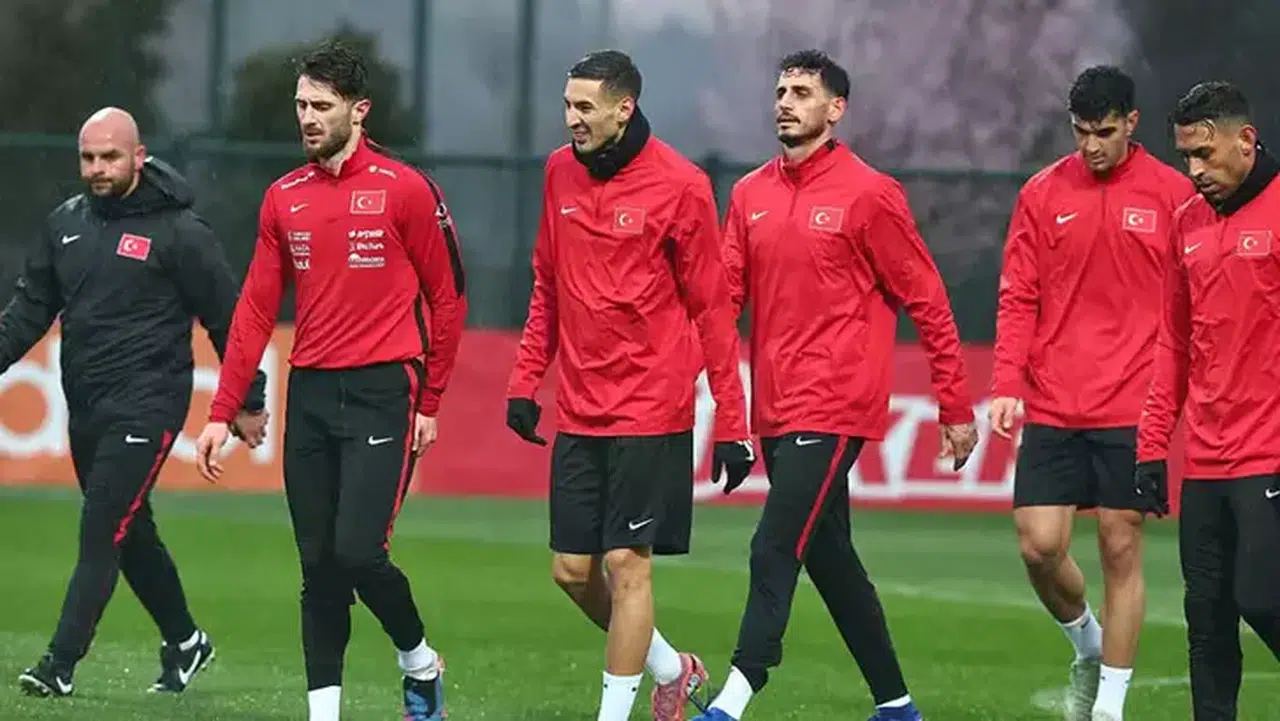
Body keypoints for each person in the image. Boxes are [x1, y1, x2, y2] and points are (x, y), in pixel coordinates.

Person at [693, 50, 977, 721]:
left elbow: (927, 298)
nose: (785, 103)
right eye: (781, 91)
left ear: (836, 109)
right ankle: (897, 706)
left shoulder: (870, 194)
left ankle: (734, 699)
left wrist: (955, 404)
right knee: (830, 558)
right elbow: (722, 300)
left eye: (802, 92)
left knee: (773, 545)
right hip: (776, 405)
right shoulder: (751, 195)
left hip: (837, 403)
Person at [192, 41, 467, 721]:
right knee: (317, 568)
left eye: (321, 105)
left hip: (383, 392)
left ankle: (418, 659)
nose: (308, 118)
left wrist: (430, 399)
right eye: (301, 105)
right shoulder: (283, 198)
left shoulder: (406, 189)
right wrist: (222, 411)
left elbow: (448, 298)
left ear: (358, 110)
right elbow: (255, 311)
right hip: (311, 394)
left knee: (359, 554)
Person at [504, 49, 754, 721]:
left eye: (585, 107)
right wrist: (526, 379)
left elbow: (713, 311)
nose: (571, 119)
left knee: (626, 562)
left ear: (624, 108)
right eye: (567, 105)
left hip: (652, 406)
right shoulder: (558, 173)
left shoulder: (682, 185)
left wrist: (733, 424)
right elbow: (547, 283)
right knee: (570, 571)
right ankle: (673, 668)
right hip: (579, 406)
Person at [4, 107, 268, 698]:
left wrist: (248, 399)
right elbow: (27, 313)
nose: (98, 169)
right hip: (86, 405)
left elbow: (230, 319)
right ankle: (186, 641)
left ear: (139, 157)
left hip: (150, 403)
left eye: (110, 157)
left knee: (102, 528)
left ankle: (58, 665)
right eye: (88, 158)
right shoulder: (64, 225)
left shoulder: (180, 233)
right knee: (130, 530)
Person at [988, 66, 1194, 721]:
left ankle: (1108, 705)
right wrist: (1006, 383)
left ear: (1132, 123)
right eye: (1081, 132)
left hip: (1134, 401)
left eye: (1104, 132)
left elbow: (1192, 301)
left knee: (1119, 544)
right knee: (1038, 544)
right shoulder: (1042, 193)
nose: (1091, 145)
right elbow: (1018, 294)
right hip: (1054, 399)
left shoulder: (1173, 195)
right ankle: (1087, 645)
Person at [1135, 80, 1280, 720]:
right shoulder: (1186, 224)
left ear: (1245, 140)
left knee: (1263, 600)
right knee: (1207, 619)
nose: (1194, 172)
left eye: (1205, 154)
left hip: (1270, 452)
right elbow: (1174, 341)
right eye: (1186, 157)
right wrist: (1151, 446)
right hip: (1206, 458)